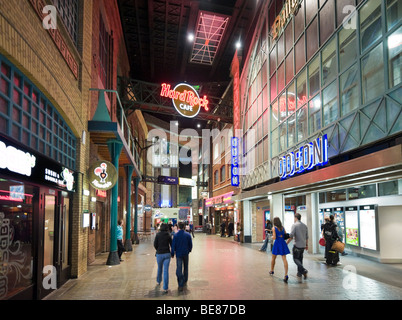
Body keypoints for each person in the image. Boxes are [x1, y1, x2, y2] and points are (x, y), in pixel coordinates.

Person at [171, 222, 193, 291]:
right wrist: (189, 250)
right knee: (186, 267)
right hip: (185, 253)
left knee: (179, 268)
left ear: (178, 227)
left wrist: (172, 253)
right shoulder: (188, 235)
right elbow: (190, 244)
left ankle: (180, 283)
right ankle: (185, 280)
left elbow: (173, 245)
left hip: (179, 254)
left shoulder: (176, 235)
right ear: (184, 227)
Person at [286, 213, 308, 278]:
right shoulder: (305, 226)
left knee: (295, 259)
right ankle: (299, 273)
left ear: (296, 218)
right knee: (300, 259)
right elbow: (306, 237)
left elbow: (291, 236)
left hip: (297, 245)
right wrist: (306, 245)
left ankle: (303, 270)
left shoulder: (294, 225)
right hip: (303, 245)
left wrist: (286, 243)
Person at [269, 217, 290, 282]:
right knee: (284, 259)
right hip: (282, 243)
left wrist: (271, 237)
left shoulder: (274, 228)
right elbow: (285, 235)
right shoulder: (282, 228)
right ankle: (286, 274)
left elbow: (274, 237)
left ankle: (272, 270)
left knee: (273, 257)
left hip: (277, 243)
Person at [154, 223, 172, 293]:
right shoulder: (168, 235)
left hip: (159, 254)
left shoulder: (158, 235)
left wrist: (158, 249)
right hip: (167, 254)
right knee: (166, 271)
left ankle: (158, 281)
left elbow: (155, 244)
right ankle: (165, 287)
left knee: (159, 268)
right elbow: (171, 244)